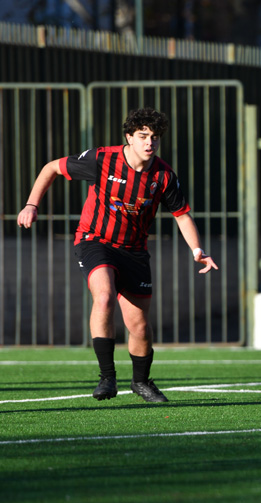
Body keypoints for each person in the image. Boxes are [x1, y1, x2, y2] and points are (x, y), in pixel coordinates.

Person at [17, 107, 218, 402]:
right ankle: (107, 377)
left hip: (134, 251)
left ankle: (141, 382)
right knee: (104, 296)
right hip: (95, 240)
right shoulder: (102, 159)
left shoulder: (163, 175)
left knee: (139, 326)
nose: (149, 142)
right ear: (129, 137)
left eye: (155, 137)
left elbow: (182, 215)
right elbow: (51, 168)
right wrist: (31, 205)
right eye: (143, 136)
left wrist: (198, 251)